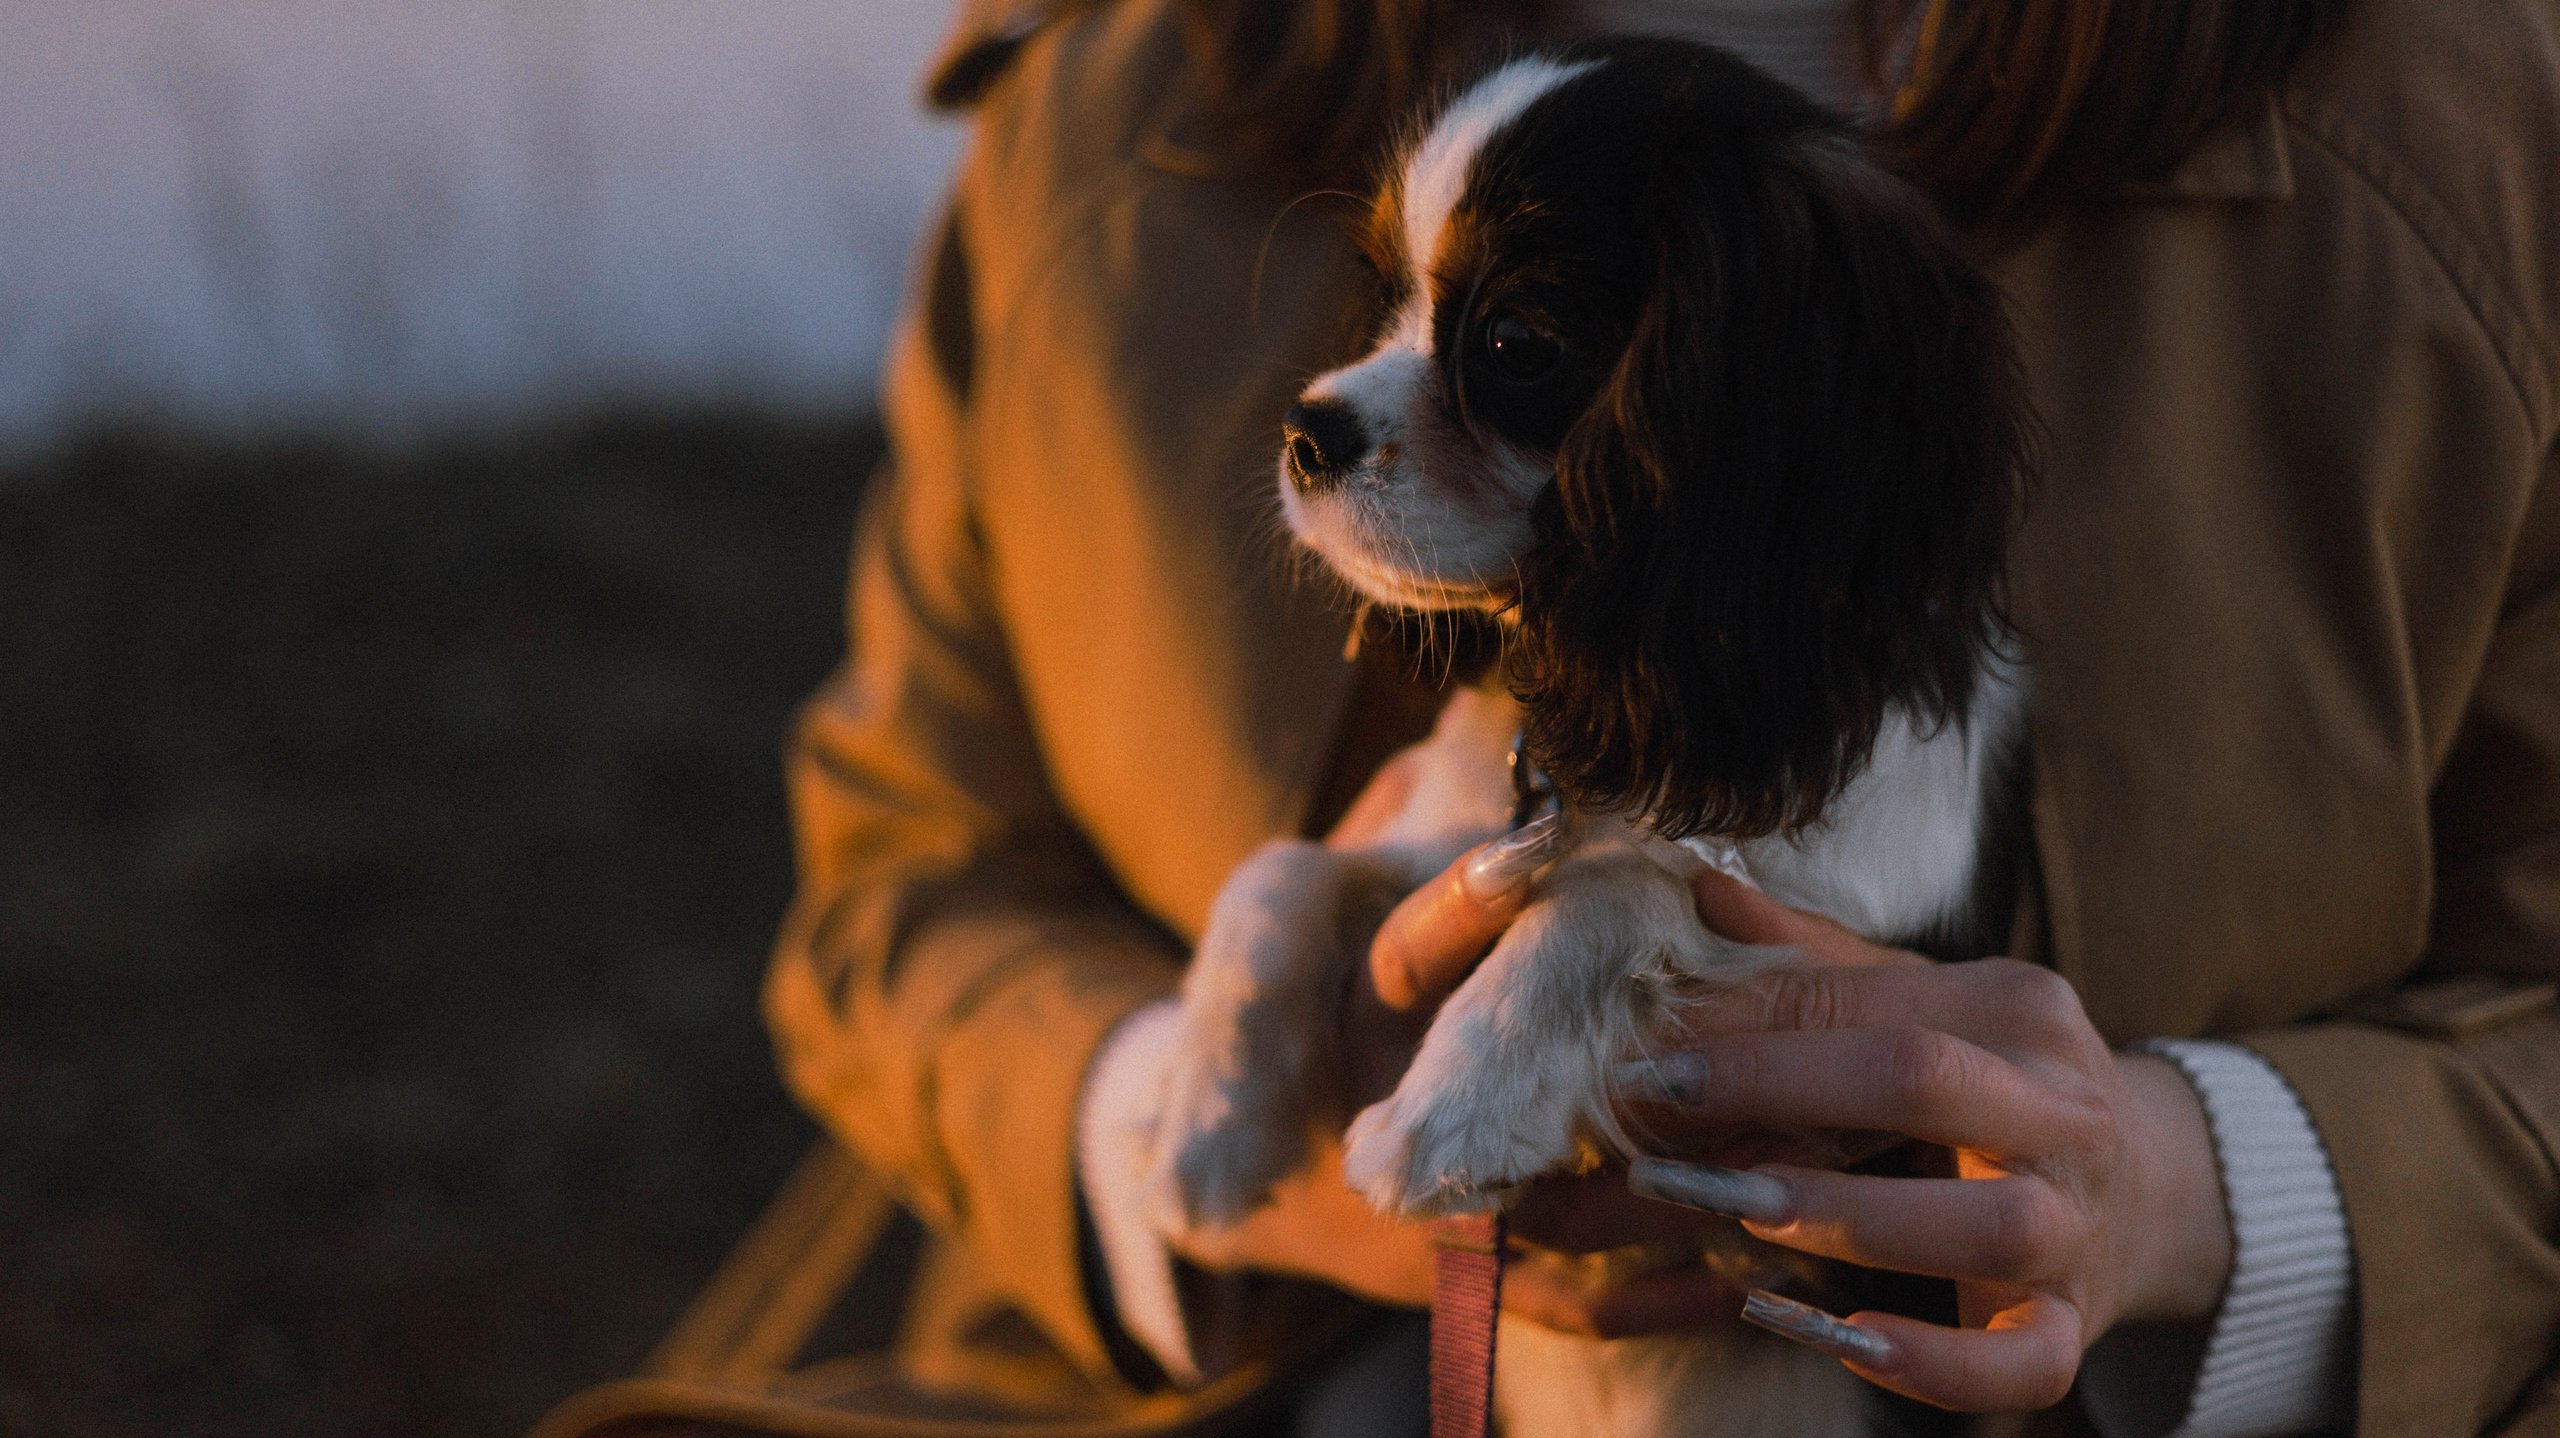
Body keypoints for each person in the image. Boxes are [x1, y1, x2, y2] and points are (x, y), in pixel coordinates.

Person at [763, 0, 2560, 1431]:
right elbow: (900, 873)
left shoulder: (2464, 121)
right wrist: (1222, 1149)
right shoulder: (1103, 85)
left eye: (1518, 356)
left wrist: (2191, 1189)